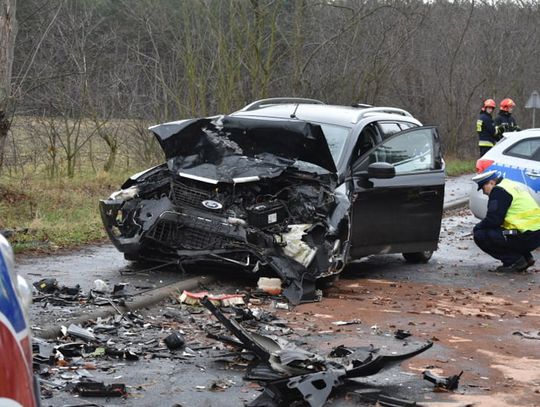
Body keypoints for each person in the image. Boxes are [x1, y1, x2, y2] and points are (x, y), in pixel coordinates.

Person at [472, 170, 540, 272]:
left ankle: (515, 261)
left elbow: (493, 220)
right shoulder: (510, 185)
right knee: (504, 232)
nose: (484, 192)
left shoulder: (498, 191)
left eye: (483, 187)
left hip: (524, 235)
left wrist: (477, 227)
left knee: (481, 234)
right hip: (532, 233)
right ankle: (526, 258)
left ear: (491, 182)